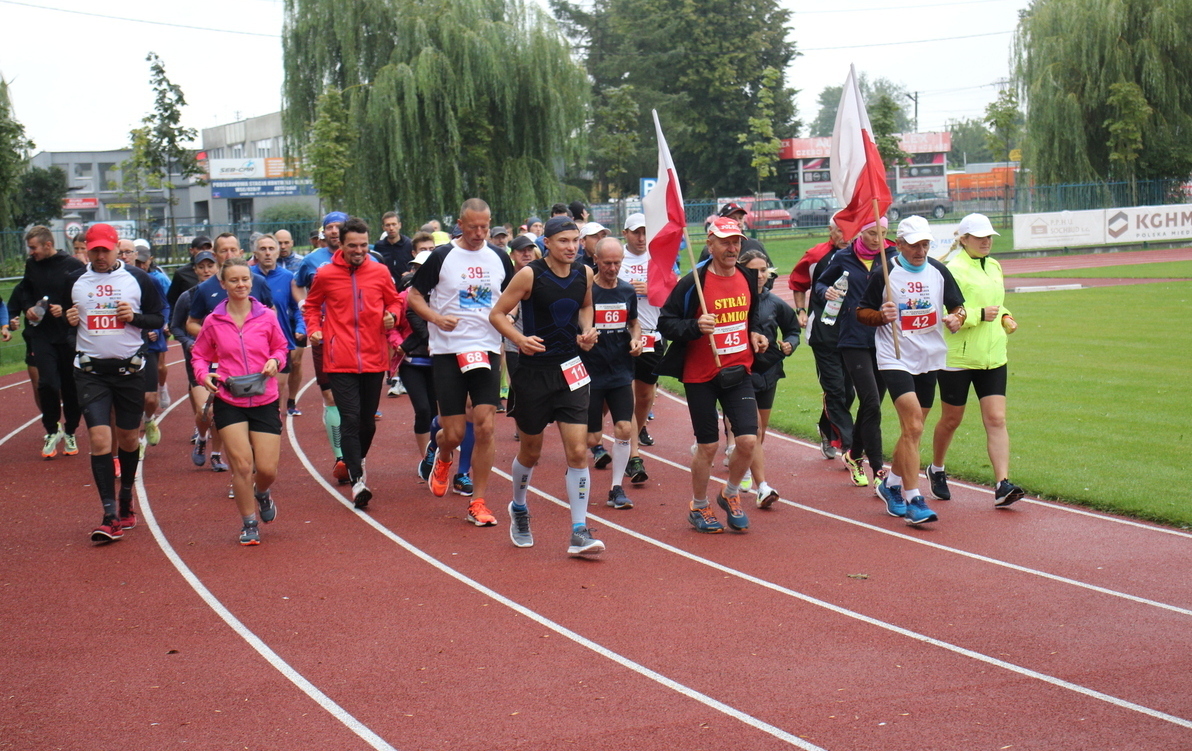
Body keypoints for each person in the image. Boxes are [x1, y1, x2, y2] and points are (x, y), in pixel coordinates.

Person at [491, 215, 604, 555]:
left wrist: (586, 332)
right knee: (532, 451)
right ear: (548, 244)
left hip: (571, 370)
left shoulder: (584, 273)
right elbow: (497, 314)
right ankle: (519, 507)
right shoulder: (529, 275)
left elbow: (585, 306)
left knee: (578, 450)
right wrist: (519, 339)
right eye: (564, 241)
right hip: (533, 373)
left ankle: (579, 531)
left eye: (575, 240)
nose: (571, 247)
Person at [656, 216, 768, 534]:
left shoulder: (747, 276)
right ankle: (699, 504)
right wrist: (695, 327)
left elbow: (754, 315)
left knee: (747, 440)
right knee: (707, 446)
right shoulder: (694, 282)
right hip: (701, 374)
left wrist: (757, 333)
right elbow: (666, 322)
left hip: (739, 369)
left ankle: (730, 494)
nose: (732, 248)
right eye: (725, 242)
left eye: (736, 242)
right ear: (710, 243)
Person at [407, 199, 513, 526]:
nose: (480, 233)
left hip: (487, 348)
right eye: (473, 227)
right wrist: (436, 319)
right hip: (449, 351)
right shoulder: (442, 257)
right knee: (452, 433)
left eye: (485, 226)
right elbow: (413, 296)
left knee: (485, 424)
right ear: (460, 224)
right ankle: (443, 455)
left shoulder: (498, 256)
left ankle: (478, 502)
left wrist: (510, 317)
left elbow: (513, 294)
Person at [857, 216, 965, 525]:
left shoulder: (938, 271)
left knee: (911, 431)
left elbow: (958, 306)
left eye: (925, 244)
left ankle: (890, 483)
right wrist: (880, 316)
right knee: (915, 426)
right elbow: (860, 312)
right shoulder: (885, 273)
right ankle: (913, 498)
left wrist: (957, 318)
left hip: (929, 358)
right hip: (896, 356)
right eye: (915, 245)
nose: (920, 250)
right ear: (900, 244)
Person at [64, 224, 165, 543]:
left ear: (115, 248)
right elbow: (67, 331)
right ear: (86, 250)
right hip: (91, 372)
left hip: (129, 372)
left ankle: (125, 500)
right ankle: (109, 515)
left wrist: (134, 318)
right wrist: (68, 325)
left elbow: (159, 319)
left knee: (128, 438)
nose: (100, 255)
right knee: (98, 440)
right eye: (93, 249)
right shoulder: (74, 281)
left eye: (105, 249)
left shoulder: (139, 279)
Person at [303, 217, 402, 508]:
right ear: (341, 244)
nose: (359, 251)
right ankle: (358, 482)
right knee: (350, 419)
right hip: (339, 358)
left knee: (367, 423)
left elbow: (395, 301)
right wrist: (314, 330)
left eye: (363, 245)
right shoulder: (325, 274)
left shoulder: (380, 271)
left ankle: (355, 459)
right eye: (352, 246)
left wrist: (392, 315)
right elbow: (311, 306)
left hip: (373, 357)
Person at [189, 258, 287, 544]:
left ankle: (262, 492)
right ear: (223, 284)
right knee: (242, 466)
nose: (241, 284)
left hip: (264, 397)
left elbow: (281, 347)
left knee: (267, 470)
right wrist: (203, 375)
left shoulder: (266, 316)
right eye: (234, 280)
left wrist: (274, 361)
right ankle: (248, 523)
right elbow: (200, 354)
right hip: (229, 399)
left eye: (245, 279)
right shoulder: (214, 320)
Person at [929, 213, 1024, 508]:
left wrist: (1005, 315)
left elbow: (996, 300)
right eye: (980, 237)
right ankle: (937, 468)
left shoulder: (994, 265)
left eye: (989, 237)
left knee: (996, 419)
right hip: (958, 357)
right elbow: (948, 314)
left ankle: (1002, 484)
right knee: (952, 419)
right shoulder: (952, 269)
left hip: (993, 355)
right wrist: (980, 315)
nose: (986, 241)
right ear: (964, 239)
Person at [815, 217, 898, 488]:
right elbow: (820, 284)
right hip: (853, 339)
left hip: (884, 338)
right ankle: (878, 470)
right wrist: (826, 291)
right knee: (871, 403)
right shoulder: (843, 257)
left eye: (883, 233)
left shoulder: (892, 256)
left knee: (870, 405)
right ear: (861, 232)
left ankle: (853, 455)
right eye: (872, 233)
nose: (878, 239)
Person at [13, 225, 85, 459]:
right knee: (47, 384)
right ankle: (51, 430)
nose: (31, 251)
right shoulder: (31, 265)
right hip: (41, 336)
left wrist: (64, 311)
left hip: (67, 335)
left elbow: (84, 298)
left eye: (34, 247)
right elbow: (25, 291)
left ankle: (71, 430)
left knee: (70, 387)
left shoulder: (72, 266)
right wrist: (27, 309)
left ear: (48, 245)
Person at [581, 237, 642, 510]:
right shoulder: (586, 292)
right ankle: (575, 469)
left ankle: (616, 488)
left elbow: (634, 322)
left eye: (618, 263)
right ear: (596, 260)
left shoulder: (627, 291)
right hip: (591, 372)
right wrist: (583, 337)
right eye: (607, 263)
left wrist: (636, 340)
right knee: (592, 438)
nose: (613, 268)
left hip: (619, 370)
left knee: (624, 427)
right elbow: (574, 326)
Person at [739, 249, 800, 509]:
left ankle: (742, 466)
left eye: (764, 270)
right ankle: (762, 487)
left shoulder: (774, 302)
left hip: (769, 373)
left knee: (759, 435)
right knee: (754, 431)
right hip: (742, 373)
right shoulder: (735, 300)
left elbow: (794, 329)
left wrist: (790, 344)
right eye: (754, 270)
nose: (760, 275)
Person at [789, 213, 853, 459]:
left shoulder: (859, 255)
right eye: (840, 231)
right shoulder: (816, 255)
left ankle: (827, 428)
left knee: (849, 392)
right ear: (830, 231)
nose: (845, 237)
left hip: (851, 332)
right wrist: (801, 310)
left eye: (849, 232)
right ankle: (849, 444)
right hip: (823, 331)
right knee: (835, 389)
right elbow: (796, 281)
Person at [295, 212, 348, 477]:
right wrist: (304, 308)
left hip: (354, 335)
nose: (335, 231)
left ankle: (355, 452)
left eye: (339, 226)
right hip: (324, 335)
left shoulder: (368, 257)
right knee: (329, 395)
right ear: (323, 232)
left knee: (354, 398)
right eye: (330, 227)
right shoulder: (311, 260)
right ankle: (341, 458)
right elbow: (297, 285)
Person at [170, 251, 220, 467]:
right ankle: (201, 438)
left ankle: (216, 454)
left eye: (211, 265)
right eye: (202, 267)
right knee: (205, 411)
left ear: (218, 268)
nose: (207, 270)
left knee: (220, 411)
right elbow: (175, 327)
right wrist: (189, 342)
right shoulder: (187, 296)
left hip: (225, 360)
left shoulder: (225, 295)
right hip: (198, 361)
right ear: (196, 270)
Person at [617, 213, 654, 484]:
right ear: (625, 233)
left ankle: (633, 435)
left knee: (644, 396)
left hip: (653, 334)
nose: (641, 238)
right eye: (635, 232)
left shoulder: (659, 257)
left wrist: (653, 289)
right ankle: (633, 453)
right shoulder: (617, 259)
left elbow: (672, 292)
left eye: (644, 232)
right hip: (622, 333)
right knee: (626, 394)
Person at [251, 234, 306, 411]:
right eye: (263, 249)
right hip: (253, 342)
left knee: (277, 388)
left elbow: (297, 306)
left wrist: (300, 326)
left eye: (271, 249)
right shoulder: (247, 277)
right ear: (255, 253)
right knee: (256, 387)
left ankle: (273, 420)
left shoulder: (287, 277)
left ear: (277, 252)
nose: (267, 253)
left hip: (280, 341)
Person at [132, 242, 171, 450]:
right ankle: (133, 442)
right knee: (128, 398)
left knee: (149, 397)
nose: (137, 265)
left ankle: (148, 419)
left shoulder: (152, 280)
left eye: (140, 261)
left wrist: (156, 328)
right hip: (124, 347)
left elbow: (164, 307)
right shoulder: (114, 283)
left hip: (150, 344)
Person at [168, 235, 213, 309]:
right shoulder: (181, 273)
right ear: (191, 250)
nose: (204, 251)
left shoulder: (220, 270)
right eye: (200, 248)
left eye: (208, 248)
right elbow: (172, 300)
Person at [375, 210, 414, 284]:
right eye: (388, 225)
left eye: (394, 224)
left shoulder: (409, 244)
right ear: (383, 227)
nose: (391, 228)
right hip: (386, 286)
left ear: (399, 225)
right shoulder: (379, 246)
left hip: (406, 287)